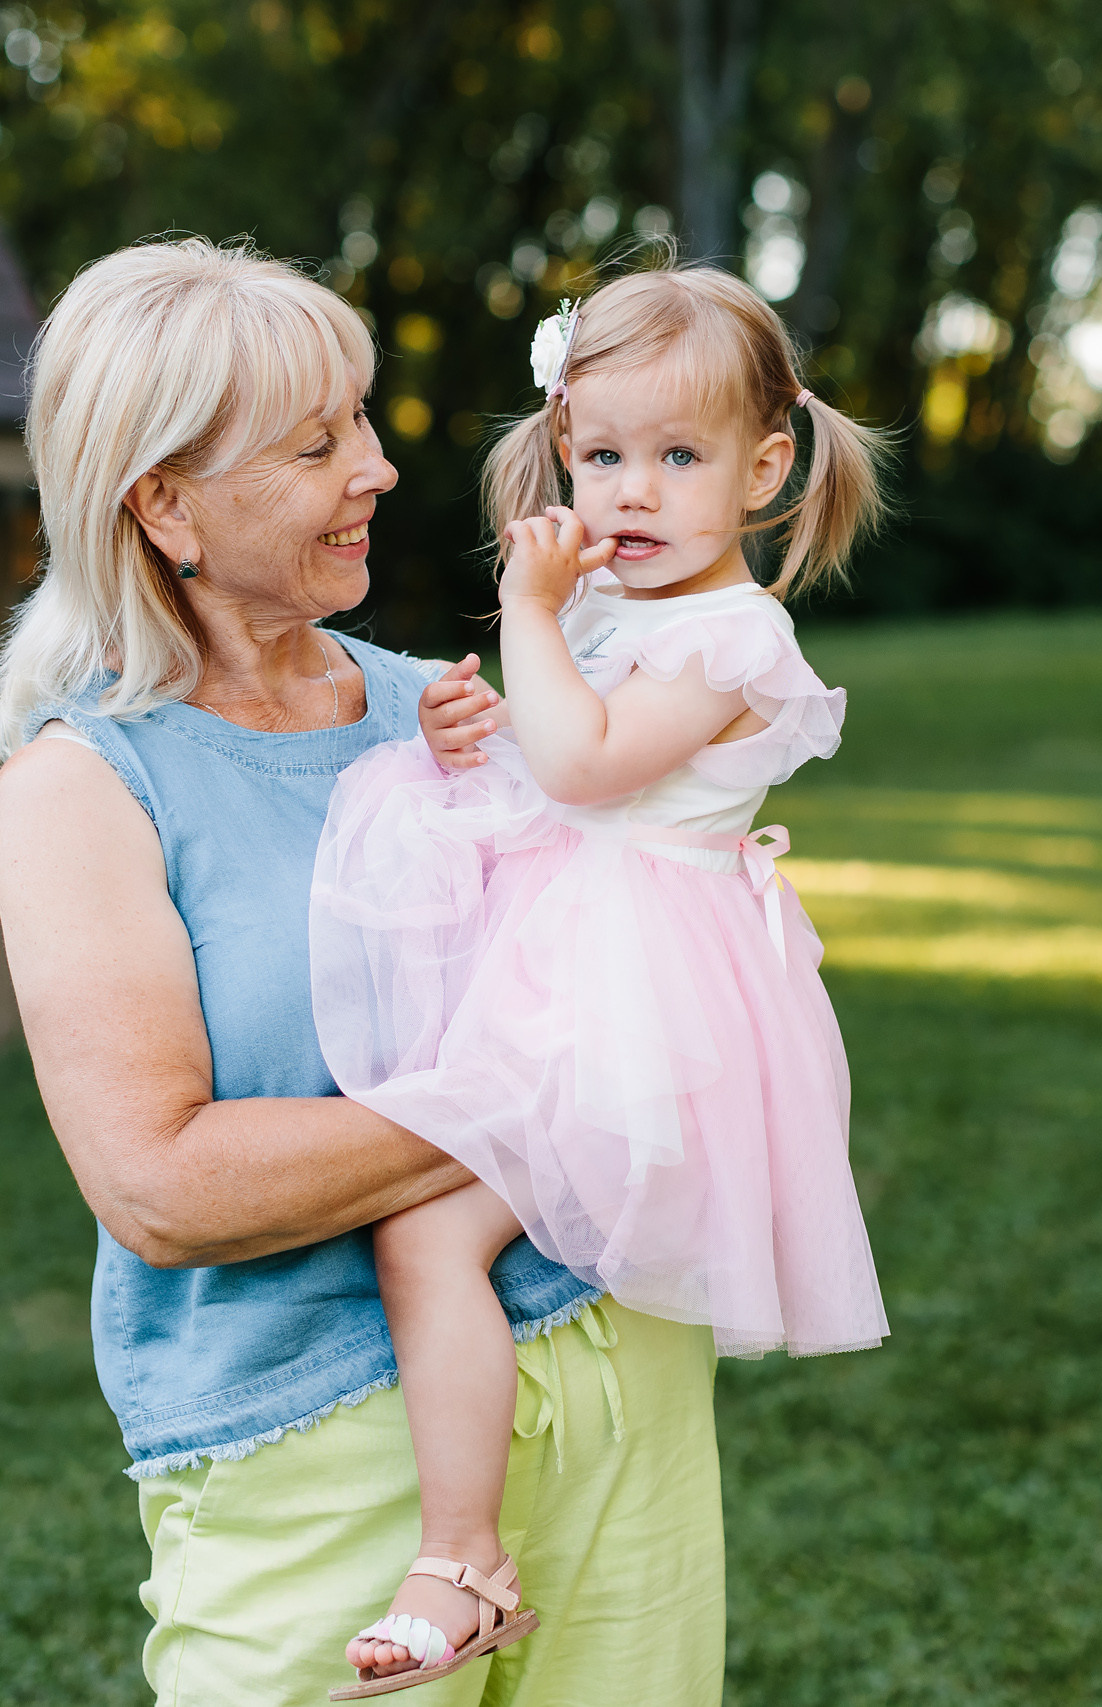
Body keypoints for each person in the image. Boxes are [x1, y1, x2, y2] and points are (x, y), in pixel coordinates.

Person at [0, 238, 726, 1705]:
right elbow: (165, 1183)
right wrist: (527, 1091)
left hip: (613, 1373)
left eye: (365, 423)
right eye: (320, 442)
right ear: (165, 506)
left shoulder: (441, 710)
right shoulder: (85, 788)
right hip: (315, 1454)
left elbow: (627, 936)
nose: (379, 468)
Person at [308, 264, 892, 1694]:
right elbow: (545, 756)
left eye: (679, 458)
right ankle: (466, 1556)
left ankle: (461, 1564)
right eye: (605, 453)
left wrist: (527, 606)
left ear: (765, 469)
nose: (632, 492)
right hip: (574, 966)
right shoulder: (631, 613)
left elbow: (586, 766)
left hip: (634, 1006)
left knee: (429, 1237)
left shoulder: (733, 635)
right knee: (426, 1232)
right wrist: (471, 728)